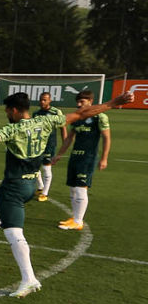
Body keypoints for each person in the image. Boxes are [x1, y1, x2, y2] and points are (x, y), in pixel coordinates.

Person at [0, 90, 131, 298]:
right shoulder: (45, 121)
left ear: (14, 110)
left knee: (13, 232)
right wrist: (113, 102)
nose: (6, 114)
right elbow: (82, 114)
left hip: (14, 187)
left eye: (7, 111)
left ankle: (29, 279)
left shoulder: (13, 129)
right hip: (31, 186)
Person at [53, 90, 112, 232]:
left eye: (82, 102)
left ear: (91, 101)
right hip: (75, 157)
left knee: (80, 188)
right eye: (78, 102)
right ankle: (74, 217)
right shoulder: (77, 117)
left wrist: (104, 158)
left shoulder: (100, 117)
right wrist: (59, 154)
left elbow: (106, 138)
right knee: (73, 188)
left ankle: (78, 221)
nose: (79, 104)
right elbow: (69, 138)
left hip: (88, 158)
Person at [32, 91, 66, 201]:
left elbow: (63, 127)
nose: (42, 102)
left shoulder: (56, 112)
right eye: (41, 99)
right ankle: (40, 187)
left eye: (45, 100)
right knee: (34, 167)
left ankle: (45, 193)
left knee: (46, 167)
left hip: (49, 144)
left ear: (49, 100)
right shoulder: (36, 113)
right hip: (37, 144)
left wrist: (65, 143)